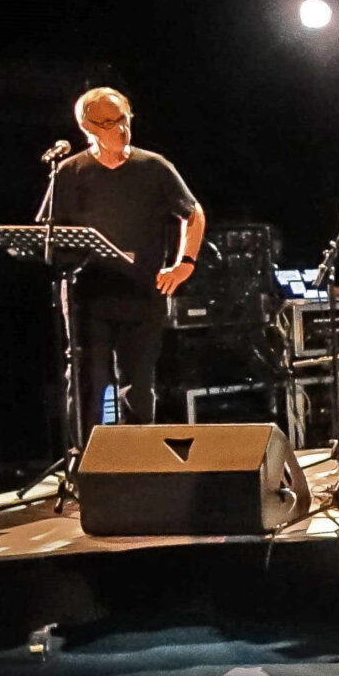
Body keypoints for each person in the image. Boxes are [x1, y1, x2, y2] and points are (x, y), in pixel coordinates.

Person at [45, 89, 204, 442]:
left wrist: (185, 263)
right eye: (108, 123)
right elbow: (51, 233)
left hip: (142, 293)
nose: (120, 129)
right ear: (88, 127)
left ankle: (139, 461)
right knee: (88, 382)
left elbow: (193, 213)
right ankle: (86, 461)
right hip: (88, 298)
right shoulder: (70, 172)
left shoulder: (154, 167)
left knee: (139, 386)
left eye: (123, 119)